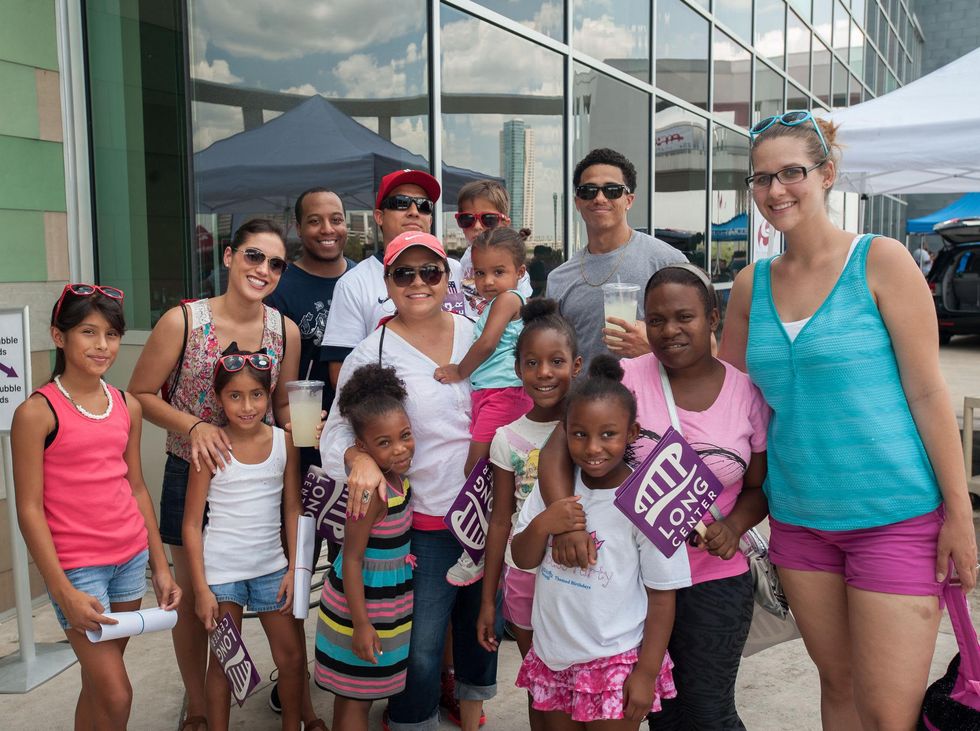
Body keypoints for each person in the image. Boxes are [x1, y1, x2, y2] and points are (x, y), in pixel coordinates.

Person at [720, 110, 978, 729]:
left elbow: (927, 394)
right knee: (837, 690)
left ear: (828, 174)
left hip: (896, 517)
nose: (775, 190)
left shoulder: (881, 261)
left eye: (791, 173)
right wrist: (653, 354)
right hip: (801, 522)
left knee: (889, 715)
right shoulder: (750, 286)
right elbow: (726, 397)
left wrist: (960, 516)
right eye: (761, 179)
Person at [128, 218, 301, 731]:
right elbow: (139, 394)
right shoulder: (183, 321)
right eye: (253, 256)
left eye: (275, 264)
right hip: (191, 468)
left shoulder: (283, 330)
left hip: (257, 476)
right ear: (228, 257)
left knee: (263, 577)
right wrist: (195, 424)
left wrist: (310, 444)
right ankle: (198, 706)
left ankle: (279, 704)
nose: (262, 270)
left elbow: (286, 407)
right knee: (194, 593)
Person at [322, 231, 497, 731]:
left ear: (449, 277)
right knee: (420, 645)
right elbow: (336, 430)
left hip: (487, 514)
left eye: (430, 271)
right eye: (404, 273)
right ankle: (411, 721)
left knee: (479, 628)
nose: (418, 282)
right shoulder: (371, 351)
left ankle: (469, 711)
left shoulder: (476, 335)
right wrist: (359, 456)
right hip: (424, 522)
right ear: (388, 282)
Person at [11, 284, 181, 729]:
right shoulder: (36, 412)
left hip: (130, 561)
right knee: (117, 691)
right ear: (59, 336)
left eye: (111, 333)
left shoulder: (127, 405)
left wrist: (160, 567)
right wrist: (63, 590)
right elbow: (28, 509)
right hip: (77, 570)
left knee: (97, 683)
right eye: (88, 332)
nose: (102, 345)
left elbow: (137, 487)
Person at [510, 356, 691, 730]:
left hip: (614, 662)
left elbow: (662, 595)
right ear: (564, 431)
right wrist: (547, 522)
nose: (593, 448)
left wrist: (646, 672)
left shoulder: (647, 500)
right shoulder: (552, 491)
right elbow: (522, 557)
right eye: (580, 434)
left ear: (632, 433)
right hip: (552, 655)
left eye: (608, 434)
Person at [265, 187, 354, 721]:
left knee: (351, 567)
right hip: (298, 449)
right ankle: (292, 674)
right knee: (297, 565)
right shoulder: (282, 285)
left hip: (353, 451)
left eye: (337, 219)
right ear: (298, 227)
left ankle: (349, 670)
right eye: (315, 220)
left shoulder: (367, 278)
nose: (328, 229)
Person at [182, 350, 305, 731]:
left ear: (269, 396)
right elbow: (190, 525)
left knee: (291, 660)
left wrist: (294, 569)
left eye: (256, 394)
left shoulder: (286, 443)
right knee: (222, 664)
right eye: (235, 396)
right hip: (221, 575)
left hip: (271, 568)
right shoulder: (210, 448)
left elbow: (292, 508)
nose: (247, 406)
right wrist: (201, 589)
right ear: (219, 398)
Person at [475, 298, 582, 731]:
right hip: (524, 582)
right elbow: (500, 521)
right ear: (517, 370)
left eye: (556, 361)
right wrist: (488, 600)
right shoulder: (506, 438)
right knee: (543, 689)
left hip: (582, 578)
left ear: (576, 365)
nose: (544, 373)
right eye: (532, 362)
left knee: (582, 685)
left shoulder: (588, 430)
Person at [315, 363, 415, 731]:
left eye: (405, 435)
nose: (400, 448)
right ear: (362, 447)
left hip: (387, 607)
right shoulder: (372, 492)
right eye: (384, 443)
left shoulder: (398, 479)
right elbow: (352, 558)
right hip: (360, 609)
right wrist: (360, 624)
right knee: (355, 699)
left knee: (361, 694)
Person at [433, 227, 534, 585]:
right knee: (490, 472)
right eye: (480, 272)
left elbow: (489, 344)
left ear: (520, 272)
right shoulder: (495, 301)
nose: (488, 281)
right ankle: (494, 536)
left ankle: (479, 546)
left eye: (499, 272)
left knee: (475, 468)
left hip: (505, 393)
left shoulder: (508, 301)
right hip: (490, 393)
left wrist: (459, 370)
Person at [321, 169, 464, 389]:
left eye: (424, 205)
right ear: (379, 216)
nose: (414, 211)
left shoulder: (456, 269)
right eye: (401, 203)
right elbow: (343, 373)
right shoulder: (353, 283)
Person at [546, 148, 686, 367]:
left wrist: (654, 345)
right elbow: (554, 354)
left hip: (652, 398)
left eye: (612, 190)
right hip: (584, 399)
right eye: (588, 191)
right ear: (577, 202)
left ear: (629, 200)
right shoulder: (559, 278)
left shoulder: (666, 261)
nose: (600, 198)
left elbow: (707, 345)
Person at [454, 179, 533, 316]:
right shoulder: (465, 259)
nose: (477, 226)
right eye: (467, 219)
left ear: (505, 223)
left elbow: (521, 309)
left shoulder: (511, 264)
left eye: (488, 219)